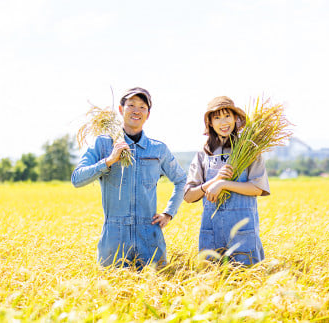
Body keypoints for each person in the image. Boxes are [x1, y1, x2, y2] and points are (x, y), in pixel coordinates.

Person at [72, 87, 187, 270]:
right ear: (120, 109)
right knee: (111, 295)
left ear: (148, 114)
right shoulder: (104, 143)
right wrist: (109, 160)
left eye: (142, 107)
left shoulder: (158, 149)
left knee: (154, 293)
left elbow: (182, 180)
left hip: (149, 237)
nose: (136, 110)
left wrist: (169, 212)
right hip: (114, 237)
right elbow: (77, 179)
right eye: (131, 105)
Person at [184, 96, 270, 265]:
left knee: (248, 284)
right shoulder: (203, 155)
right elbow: (188, 196)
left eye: (227, 116)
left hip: (243, 235)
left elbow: (258, 188)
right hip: (212, 236)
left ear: (235, 119)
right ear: (210, 122)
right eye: (217, 117)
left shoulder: (250, 150)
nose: (223, 122)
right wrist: (214, 181)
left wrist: (223, 184)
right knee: (212, 286)